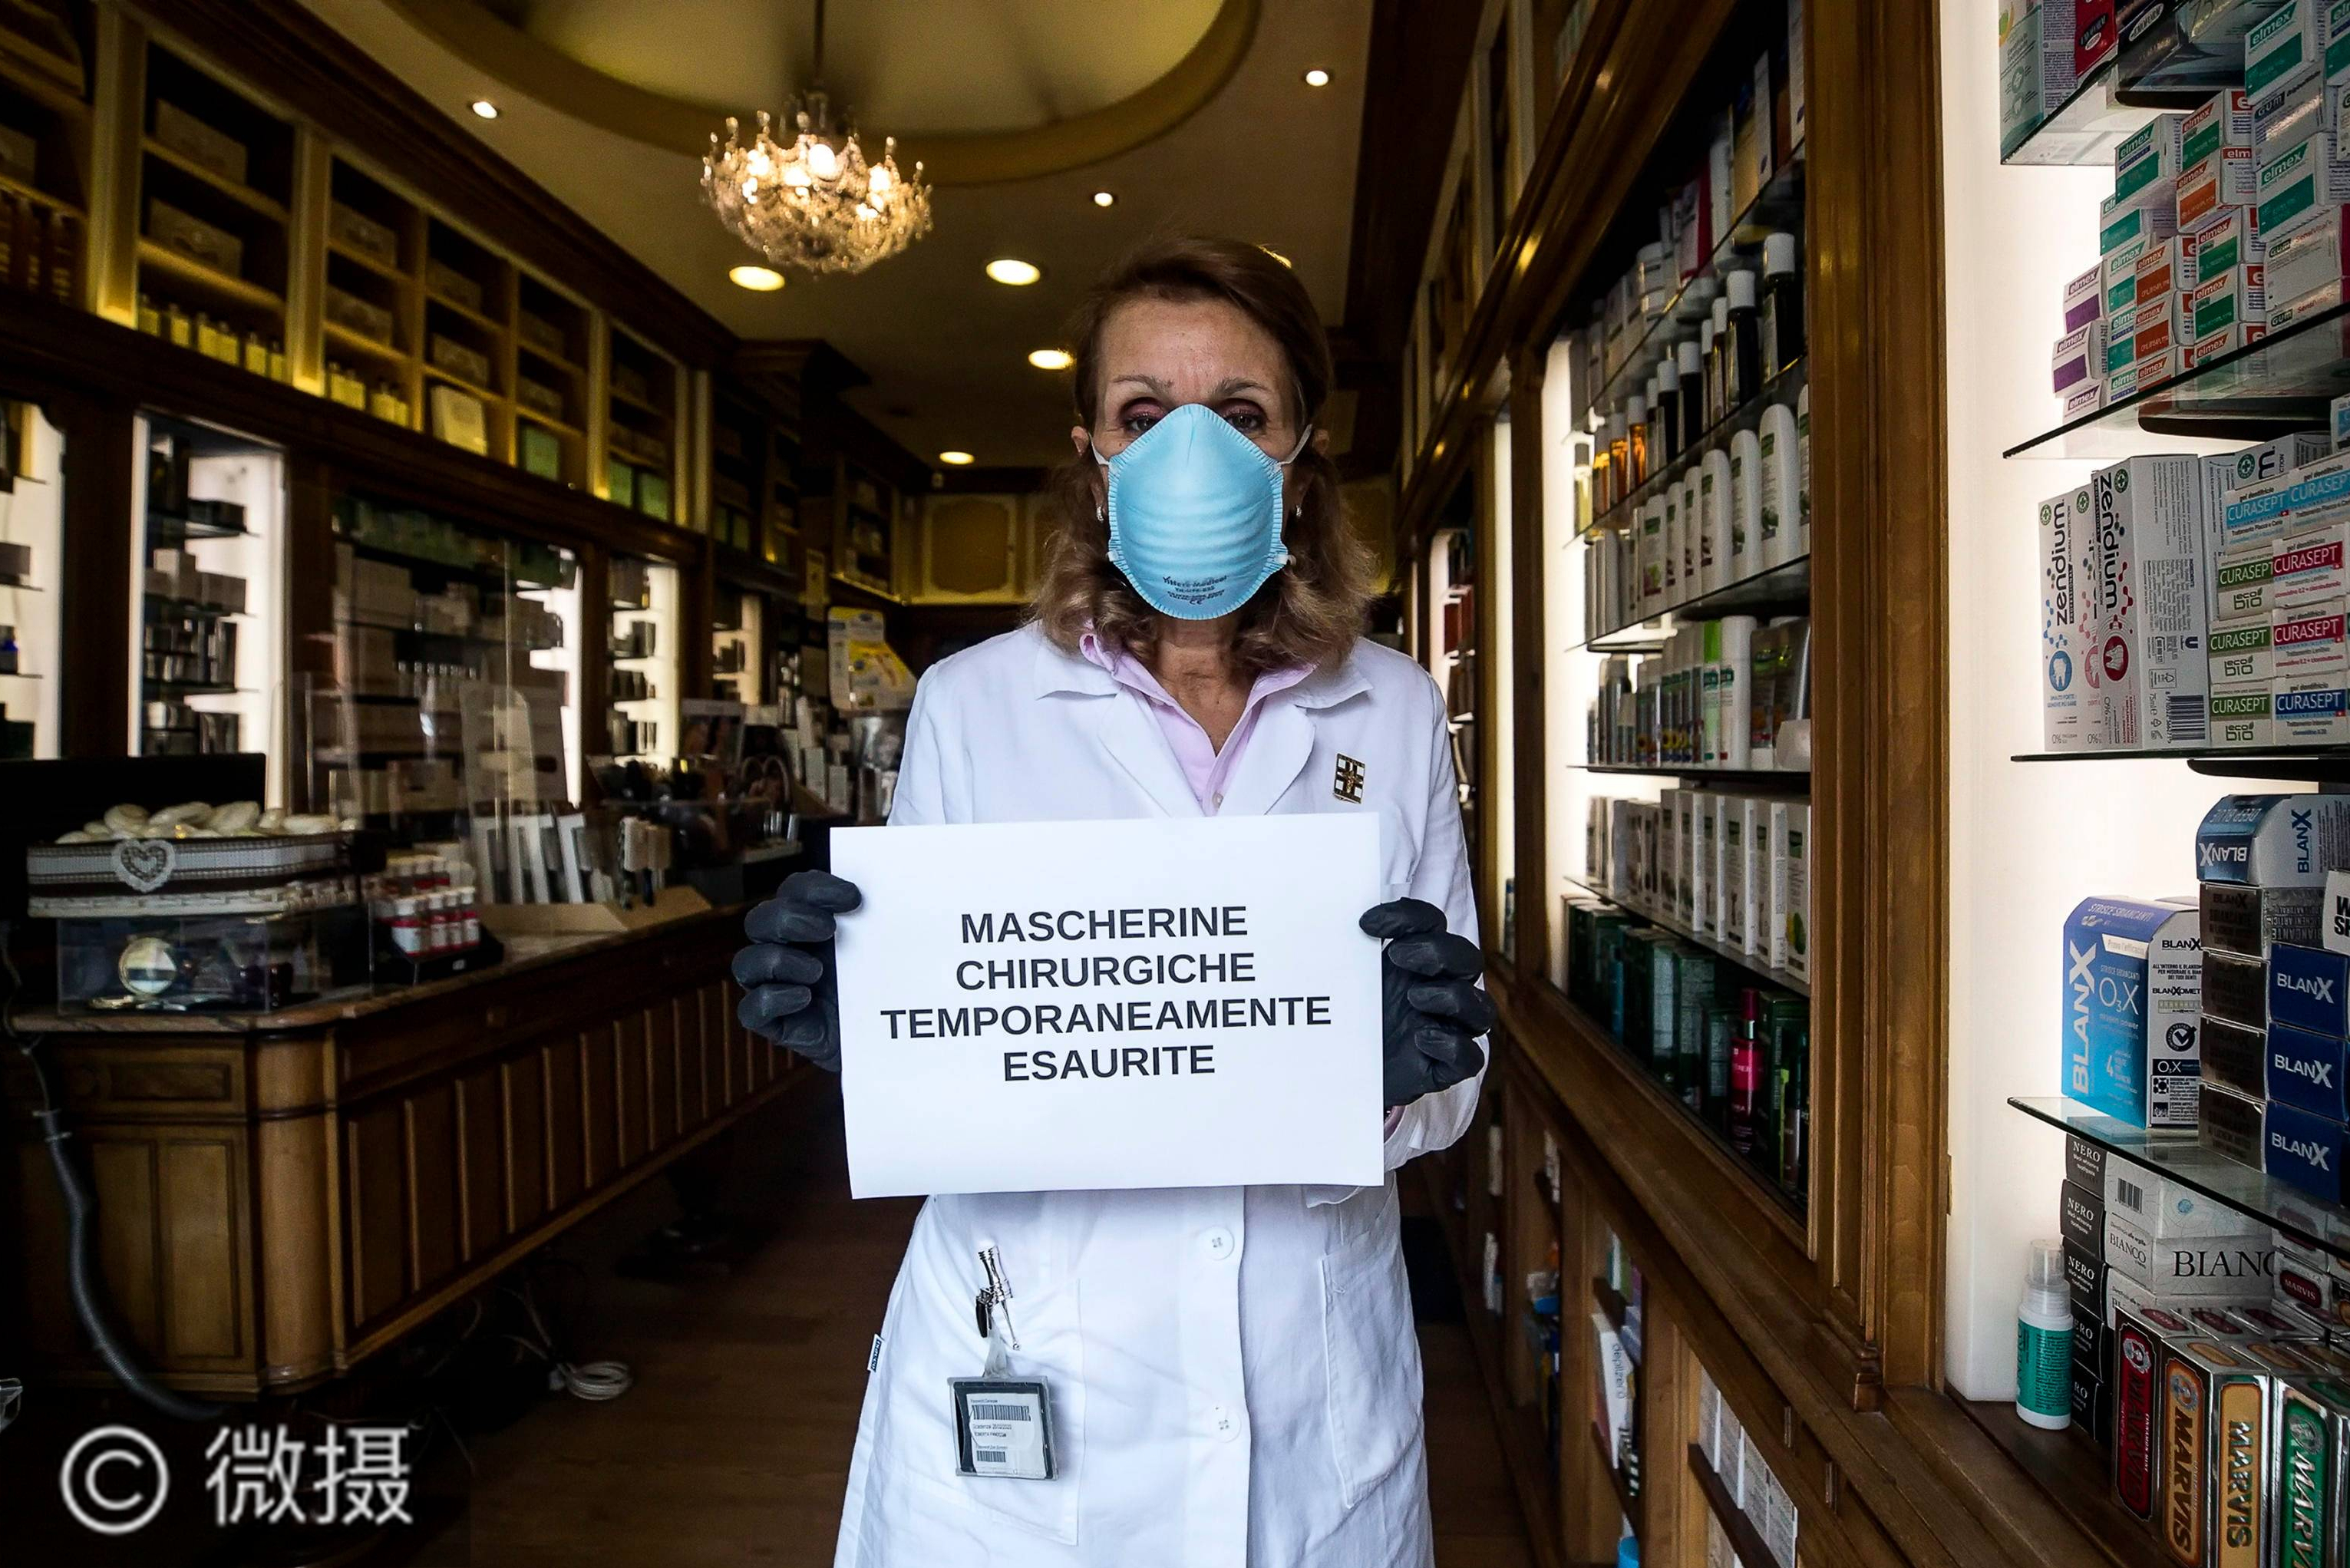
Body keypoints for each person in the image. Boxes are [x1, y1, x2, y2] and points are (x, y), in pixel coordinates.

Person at [734, 236, 1492, 1568]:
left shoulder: (1390, 706)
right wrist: (869, 1036)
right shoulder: (975, 701)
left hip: (1306, 1380)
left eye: (1239, 413)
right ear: (1091, 452)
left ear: (1301, 452)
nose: (1189, 450)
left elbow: (1449, 1072)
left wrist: (1382, 1078)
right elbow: (949, 1045)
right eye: (1144, 413)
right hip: (1034, 1346)